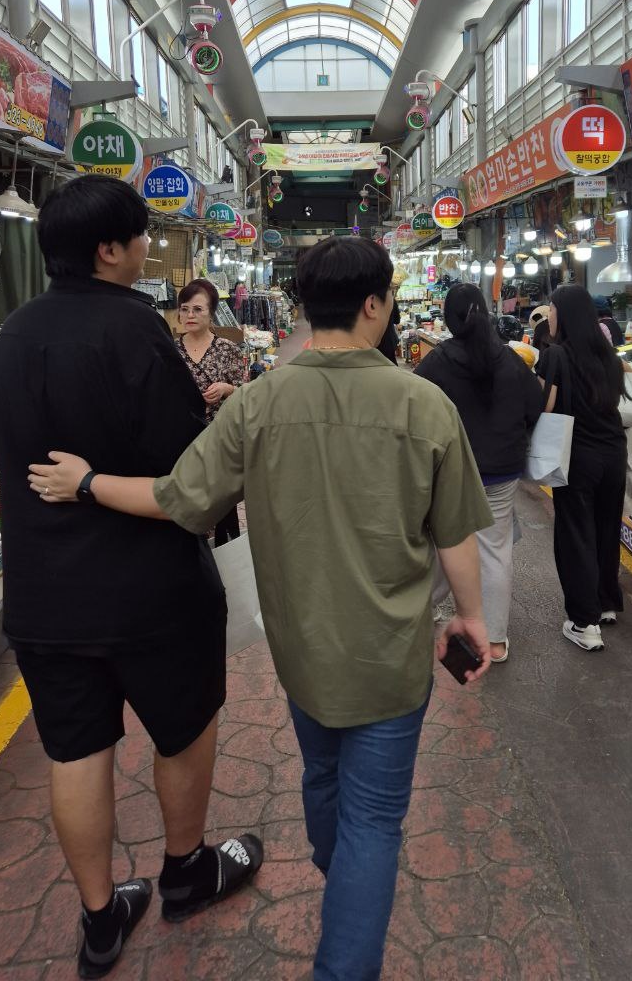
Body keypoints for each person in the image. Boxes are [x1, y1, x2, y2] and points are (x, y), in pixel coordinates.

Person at [28, 234, 494, 981]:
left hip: (302, 653)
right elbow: (456, 535)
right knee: (373, 822)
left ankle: (338, 881)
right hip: (390, 658)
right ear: (375, 306)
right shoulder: (424, 404)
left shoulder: (259, 403)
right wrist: (471, 620)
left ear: (307, 308)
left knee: (321, 779)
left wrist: (86, 483)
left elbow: (176, 499)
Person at [0, 175, 261, 981]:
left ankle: (102, 918)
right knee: (183, 727)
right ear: (110, 249)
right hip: (150, 589)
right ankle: (183, 871)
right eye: (141, 236)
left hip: (43, 594)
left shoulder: (11, 338)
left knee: (75, 753)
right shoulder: (138, 332)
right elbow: (186, 473)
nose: (149, 248)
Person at [415, 284, 543, 662]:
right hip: (501, 473)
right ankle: (496, 641)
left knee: (441, 545)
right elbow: (534, 408)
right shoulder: (509, 359)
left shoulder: (437, 362)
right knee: (494, 550)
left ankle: (417, 618)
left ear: (449, 319)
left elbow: (414, 413)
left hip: (451, 472)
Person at [538, 283, 629, 651]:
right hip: (614, 454)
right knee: (606, 529)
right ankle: (606, 602)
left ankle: (583, 623)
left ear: (565, 314)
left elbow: (543, 407)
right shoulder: (608, 353)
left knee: (576, 535)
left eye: (553, 310)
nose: (549, 316)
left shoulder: (556, 356)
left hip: (577, 456)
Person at [176, 277, 247, 544]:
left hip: (218, 437)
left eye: (197, 309)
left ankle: (223, 548)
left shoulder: (227, 349)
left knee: (219, 500)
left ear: (211, 313)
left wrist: (226, 388)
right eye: (184, 309)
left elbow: (245, 391)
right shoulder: (171, 349)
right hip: (182, 437)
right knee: (187, 496)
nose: (189, 315)